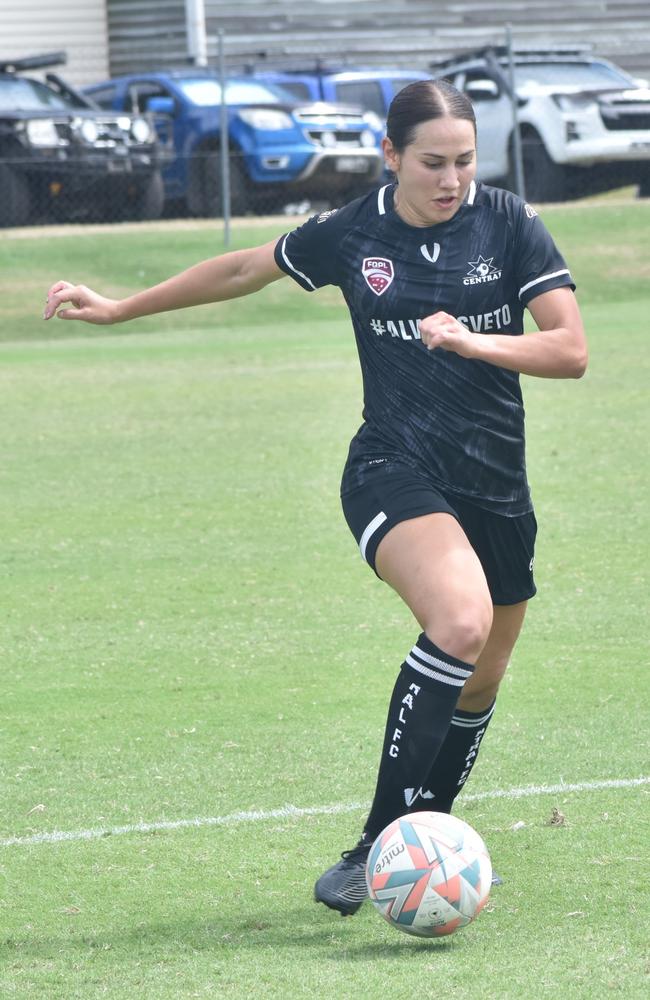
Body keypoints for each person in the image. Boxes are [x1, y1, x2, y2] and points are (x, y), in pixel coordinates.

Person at [44, 80, 587, 918]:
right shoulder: (352, 231)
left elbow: (569, 348)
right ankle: (378, 844)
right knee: (461, 622)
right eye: (433, 163)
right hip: (392, 467)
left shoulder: (508, 222)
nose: (451, 180)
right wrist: (120, 308)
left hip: (497, 485)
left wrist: (474, 340)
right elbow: (242, 267)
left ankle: (427, 838)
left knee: (484, 672)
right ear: (391, 156)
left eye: (465, 162)